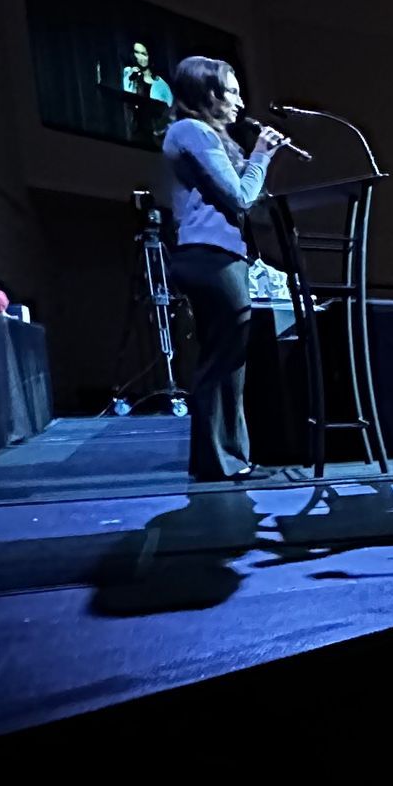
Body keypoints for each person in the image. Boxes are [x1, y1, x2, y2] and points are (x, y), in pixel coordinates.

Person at [160, 55, 290, 480]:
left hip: (217, 253)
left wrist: (258, 160)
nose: (239, 100)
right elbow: (239, 198)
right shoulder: (192, 130)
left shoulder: (206, 135)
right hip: (209, 255)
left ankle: (229, 458)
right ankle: (219, 461)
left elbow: (247, 195)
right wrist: (262, 155)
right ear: (207, 94)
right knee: (222, 359)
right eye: (231, 91)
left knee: (229, 359)